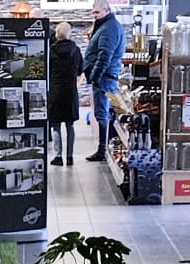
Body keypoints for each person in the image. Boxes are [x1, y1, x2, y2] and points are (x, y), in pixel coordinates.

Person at [82, 0, 124, 163]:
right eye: (93, 12)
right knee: (103, 113)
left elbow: (104, 55)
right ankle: (104, 148)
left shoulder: (109, 28)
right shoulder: (106, 26)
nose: (94, 15)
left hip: (104, 77)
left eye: (97, 12)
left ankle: (102, 150)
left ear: (107, 11)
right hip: (105, 76)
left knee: (102, 113)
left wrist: (95, 76)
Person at [49, 20, 85, 167]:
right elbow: (80, 70)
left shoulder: (50, 50)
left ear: (57, 34)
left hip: (55, 91)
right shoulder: (75, 50)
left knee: (56, 126)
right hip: (70, 91)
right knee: (70, 126)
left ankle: (58, 156)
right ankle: (70, 157)